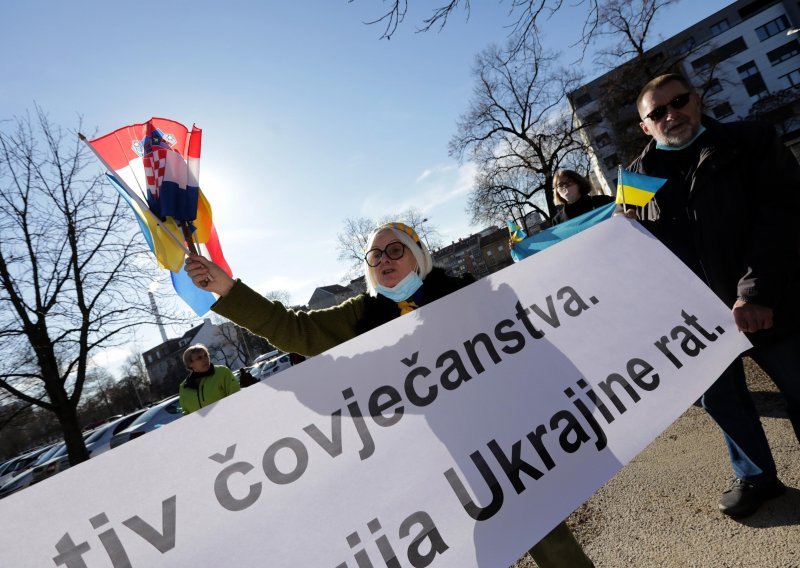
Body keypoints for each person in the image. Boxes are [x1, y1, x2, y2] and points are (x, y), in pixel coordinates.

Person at [186, 221, 595, 567]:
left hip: (497, 441)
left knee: (546, 535)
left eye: (394, 249)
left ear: (418, 254)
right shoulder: (362, 313)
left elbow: (528, 344)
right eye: (375, 256)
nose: (384, 260)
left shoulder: (467, 291)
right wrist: (228, 290)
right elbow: (298, 330)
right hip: (419, 458)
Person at [628, 72, 800, 518]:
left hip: (770, 301)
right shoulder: (636, 180)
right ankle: (756, 477)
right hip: (697, 324)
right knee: (722, 400)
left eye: (679, 100)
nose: (672, 114)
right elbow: (631, 254)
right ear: (646, 127)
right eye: (657, 112)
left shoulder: (751, 140)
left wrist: (754, 292)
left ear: (697, 99)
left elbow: (781, 216)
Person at [178, 344, 241, 414]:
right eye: (199, 358)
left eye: (206, 355)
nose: (205, 359)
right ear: (190, 364)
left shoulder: (222, 372)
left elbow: (236, 396)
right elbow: (186, 414)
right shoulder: (184, 387)